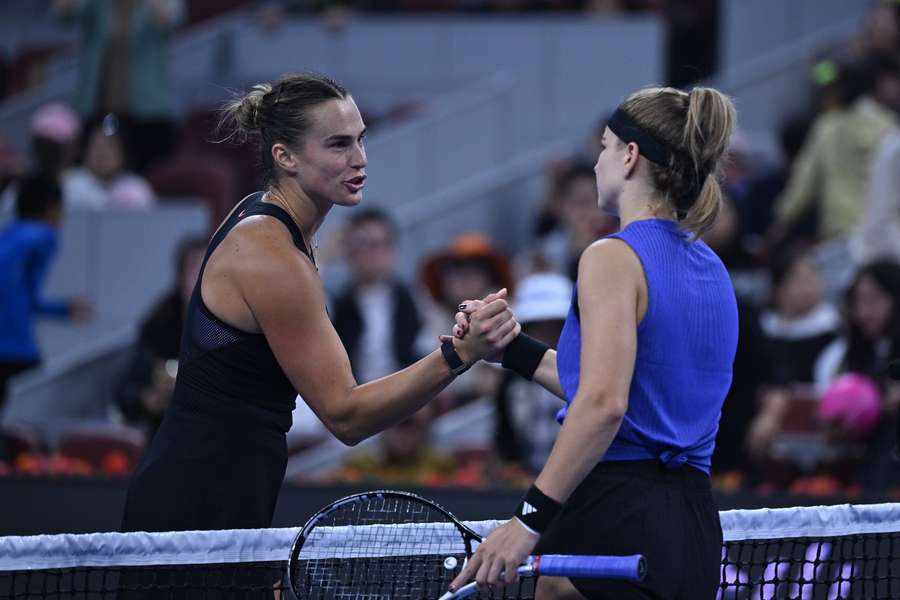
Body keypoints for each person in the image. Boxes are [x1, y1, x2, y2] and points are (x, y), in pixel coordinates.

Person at [119, 73, 518, 533]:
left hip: (224, 495)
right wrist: (459, 355)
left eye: (361, 140)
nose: (360, 159)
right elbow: (345, 415)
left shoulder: (265, 219)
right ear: (284, 156)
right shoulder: (273, 257)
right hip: (196, 508)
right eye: (337, 145)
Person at [449, 86, 738, 600]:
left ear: (629, 156)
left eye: (604, 146)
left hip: (615, 515)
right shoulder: (712, 268)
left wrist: (528, 521)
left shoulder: (610, 256)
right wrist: (511, 349)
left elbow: (604, 405)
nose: (598, 160)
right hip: (691, 530)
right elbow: (624, 392)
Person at [0, 174, 92, 415]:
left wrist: (62, 309)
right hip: (18, 351)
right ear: (52, 208)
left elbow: (20, 295)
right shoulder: (45, 237)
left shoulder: (8, 235)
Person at [114, 237, 206, 438]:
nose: (200, 279)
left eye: (206, 269)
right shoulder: (159, 325)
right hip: (164, 434)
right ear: (180, 276)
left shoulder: (232, 327)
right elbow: (124, 392)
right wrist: (147, 399)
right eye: (193, 270)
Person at [330, 208, 423, 383]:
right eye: (367, 245)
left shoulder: (410, 299)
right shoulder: (338, 305)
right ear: (349, 251)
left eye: (384, 244)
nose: (376, 253)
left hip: (408, 391)